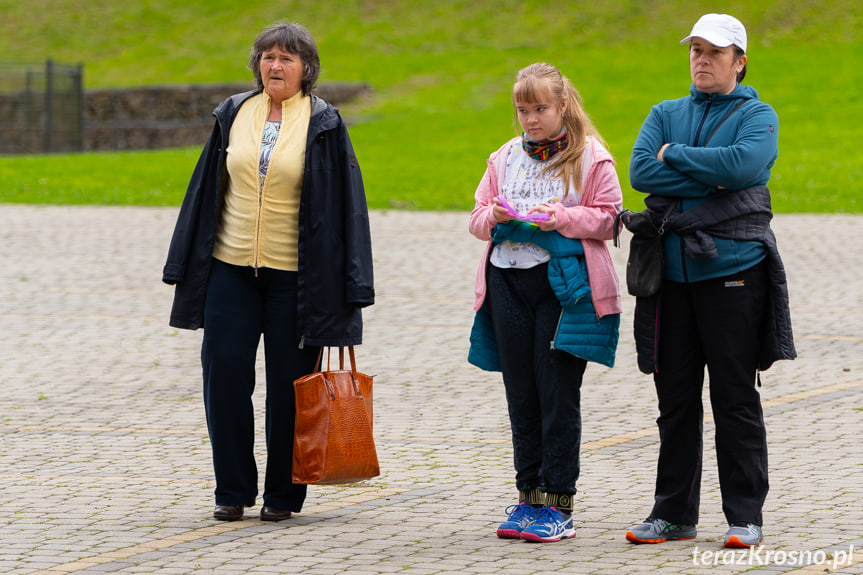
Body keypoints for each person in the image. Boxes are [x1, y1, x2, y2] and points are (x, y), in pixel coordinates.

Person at [162, 22, 374, 522]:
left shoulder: (324, 122)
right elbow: (203, 191)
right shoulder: (233, 112)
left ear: (307, 69)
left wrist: (353, 284)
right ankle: (232, 489)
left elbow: (350, 208)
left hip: (296, 280)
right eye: (268, 57)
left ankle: (284, 494)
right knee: (225, 378)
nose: (275, 66)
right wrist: (182, 263)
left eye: (287, 58)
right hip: (230, 270)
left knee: (291, 385)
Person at [624, 14, 795, 548]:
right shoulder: (664, 112)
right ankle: (673, 514)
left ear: (739, 61)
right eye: (695, 50)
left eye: (714, 52)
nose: (701, 59)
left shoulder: (758, 115)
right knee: (674, 400)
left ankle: (746, 516)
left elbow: (745, 166)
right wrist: (708, 171)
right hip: (670, 280)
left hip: (733, 275)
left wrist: (674, 156)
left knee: (734, 397)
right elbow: (639, 173)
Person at [468, 63, 622, 543]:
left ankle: (559, 503)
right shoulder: (505, 157)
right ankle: (527, 497)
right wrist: (492, 215)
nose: (531, 119)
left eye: (540, 109)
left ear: (561, 106)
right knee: (521, 394)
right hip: (507, 283)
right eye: (522, 110)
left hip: (564, 289)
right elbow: (475, 218)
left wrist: (564, 218)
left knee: (555, 392)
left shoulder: (591, 157)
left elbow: (611, 218)